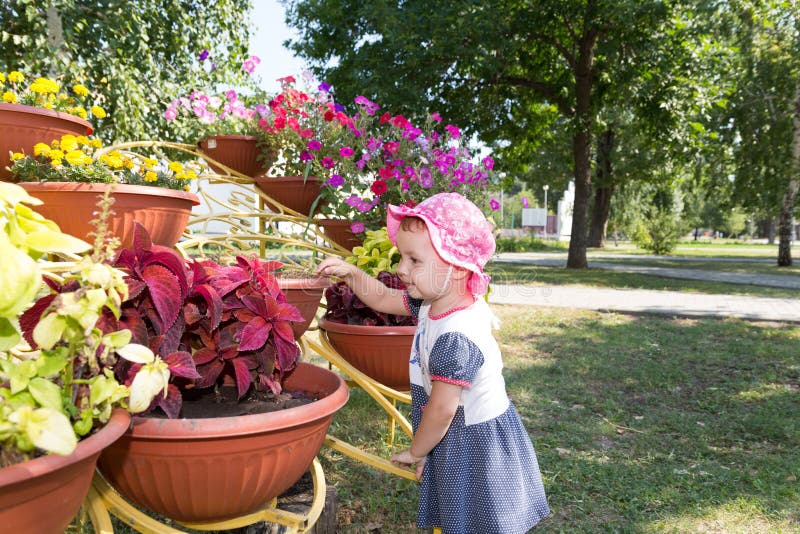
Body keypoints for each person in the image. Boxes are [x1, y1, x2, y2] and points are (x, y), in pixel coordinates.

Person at [316, 192, 549, 533]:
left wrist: (416, 451)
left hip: (476, 446)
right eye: (402, 257)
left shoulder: (457, 335)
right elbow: (385, 297)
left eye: (414, 260)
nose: (401, 269)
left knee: (479, 521)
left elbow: (442, 410)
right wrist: (352, 274)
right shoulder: (434, 301)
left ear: (456, 268)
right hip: (455, 435)